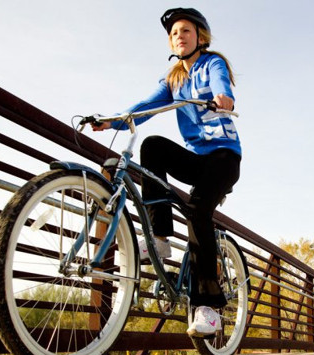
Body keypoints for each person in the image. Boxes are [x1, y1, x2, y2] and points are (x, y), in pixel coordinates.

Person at [92, 8, 240, 338]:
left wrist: (222, 100)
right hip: (197, 158)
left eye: (185, 31)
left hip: (224, 158)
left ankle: (208, 307)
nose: (179, 37)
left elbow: (222, 87)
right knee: (153, 146)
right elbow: (144, 107)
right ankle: (160, 239)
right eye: (174, 33)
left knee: (197, 211)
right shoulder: (174, 79)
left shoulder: (212, 63)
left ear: (200, 37)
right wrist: (112, 120)